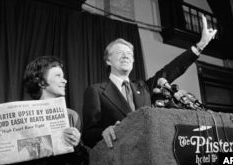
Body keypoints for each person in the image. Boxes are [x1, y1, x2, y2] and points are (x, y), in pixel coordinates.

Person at [82, 15, 217, 148]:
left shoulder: (144, 88)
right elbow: (88, 135)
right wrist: (103, 132)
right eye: (120, 53)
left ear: (133, 61)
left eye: (129, 54)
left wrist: (200, 45)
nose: (126, 56)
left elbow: (172, 69)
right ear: (108, 60)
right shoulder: (96, 91)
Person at [0, 56, 88, 164]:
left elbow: (82, 161)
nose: (64, 80)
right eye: (58, 76)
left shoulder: (71, 116)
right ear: (40, 81)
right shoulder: (19, 115)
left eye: (63, 76)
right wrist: (0, 142)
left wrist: (77, 145)